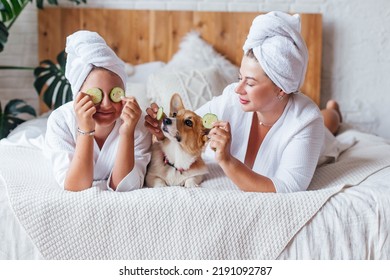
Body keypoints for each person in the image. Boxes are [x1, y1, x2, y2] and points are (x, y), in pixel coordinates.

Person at [144, 11, 342, 193]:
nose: (238, 89)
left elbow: (286, 188)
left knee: (328, 123)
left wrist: (227, 160)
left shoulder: (306, 121)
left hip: (317, 133)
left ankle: (334, 111)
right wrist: (161, 133)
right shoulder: (232, 98)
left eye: (250, 83)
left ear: (281, 89)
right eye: (240, 78)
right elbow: (189, 130)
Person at [44, 30, 151, 192]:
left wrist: (127, 133)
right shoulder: (60, 121)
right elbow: (75, 187)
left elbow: (125, 186)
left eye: (115, 94)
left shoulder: (137, 122)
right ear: (78, 95)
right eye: (96, 95)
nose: (107, 104)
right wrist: (85, 129)